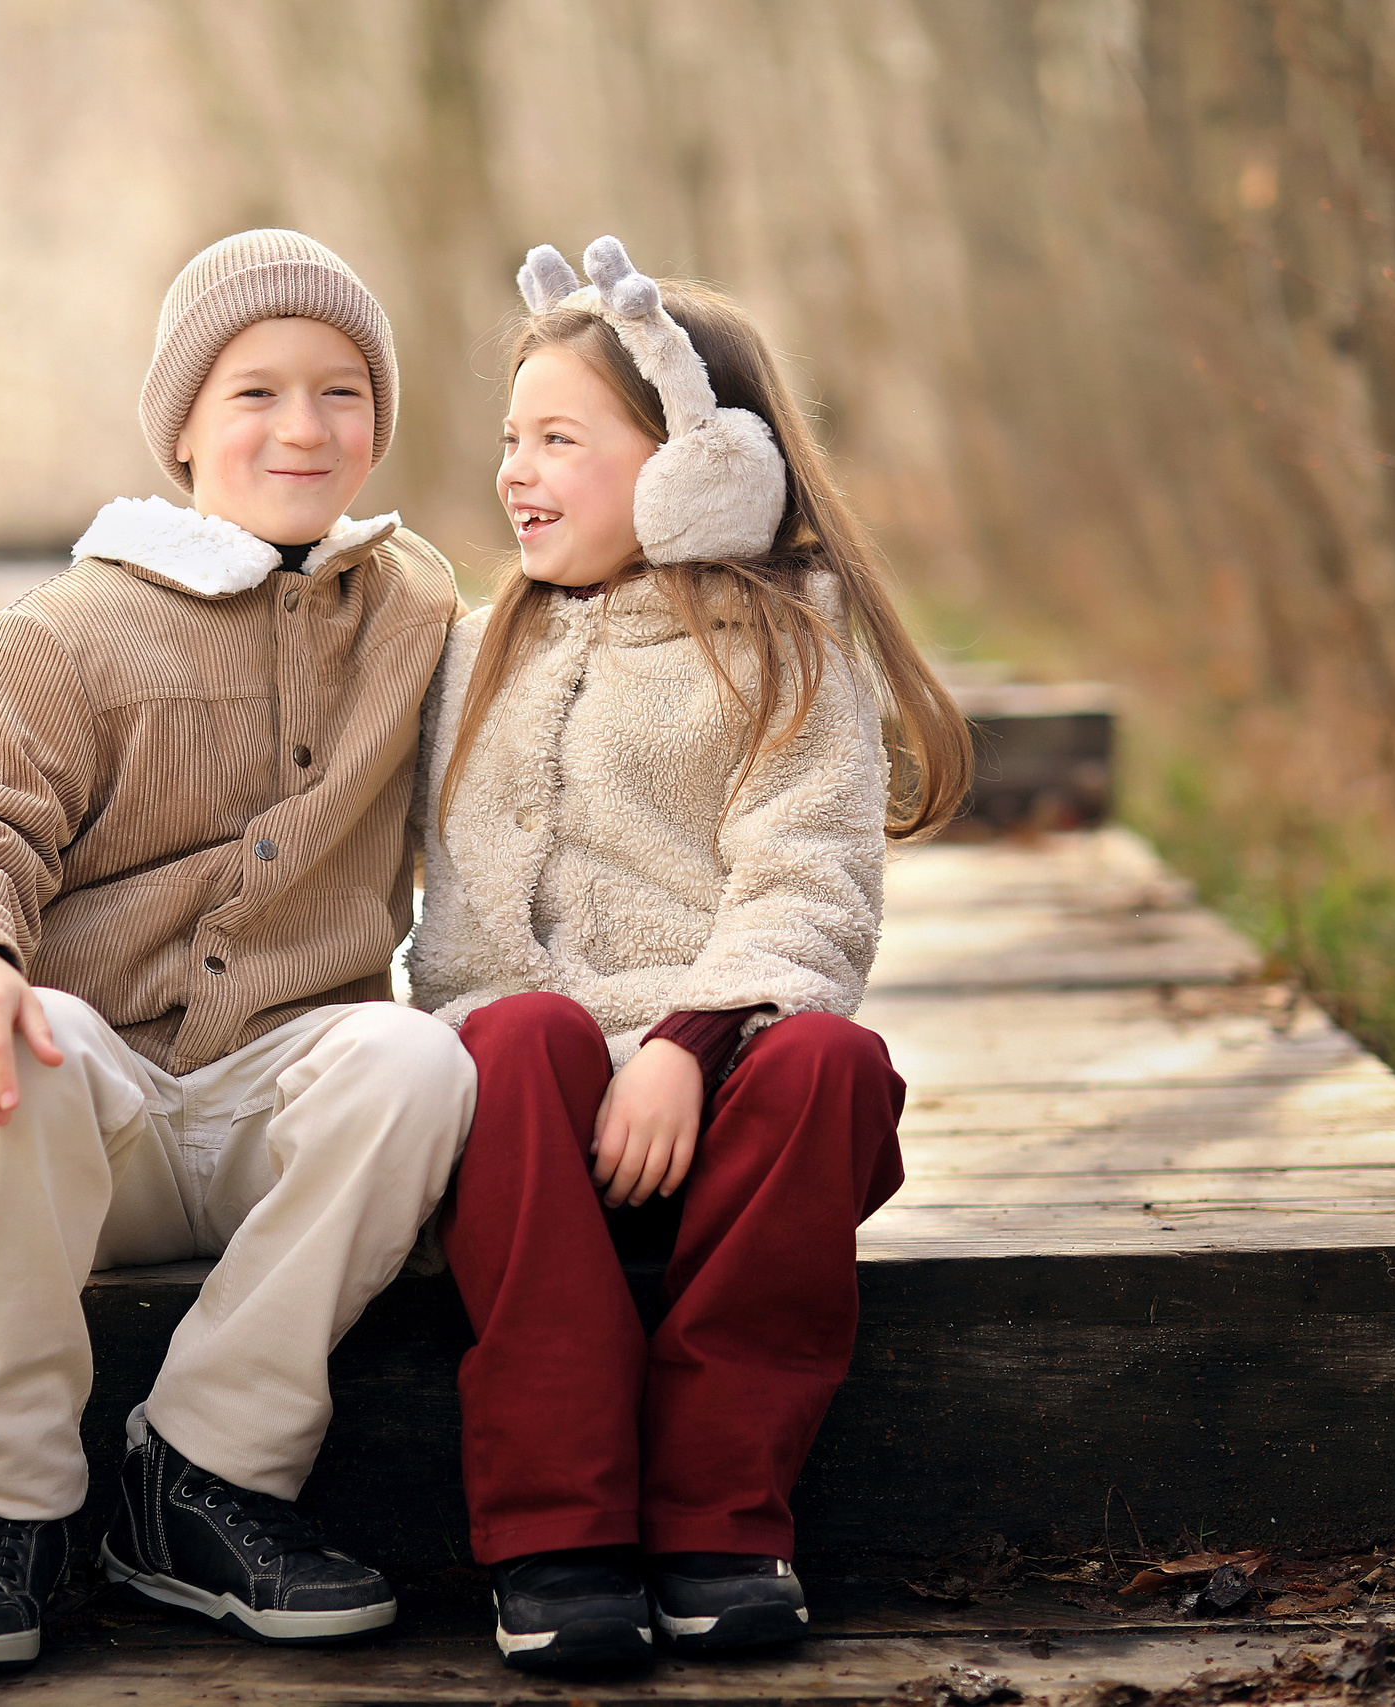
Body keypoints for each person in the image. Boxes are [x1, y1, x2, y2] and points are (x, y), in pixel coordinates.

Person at [0, 229, 474, 1676]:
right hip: (104, 1120)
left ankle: (200, 1472)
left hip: (283, 1098)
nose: (302, 427)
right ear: (186, 424)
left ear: (379, 424)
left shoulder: (422, 619)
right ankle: (0, 1507)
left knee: (414, 1058)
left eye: (340, 393)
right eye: (255, 392)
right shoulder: (64, 634)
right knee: (21, 1034)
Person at [408, 237, 972, 1670]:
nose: (513, 474)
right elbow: (467, 947)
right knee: (510, 1036)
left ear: (692, 464)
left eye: (559, 440)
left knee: (836, 1064)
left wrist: (686, 1045)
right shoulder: (475, 658)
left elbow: (811, 887)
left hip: (716, 1100)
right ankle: (560, 1532)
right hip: (527, 1130)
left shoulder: (788, 652)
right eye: (508, 439)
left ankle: (723, 1517)